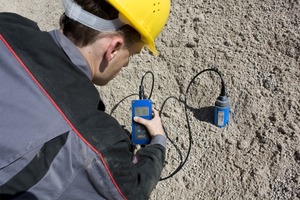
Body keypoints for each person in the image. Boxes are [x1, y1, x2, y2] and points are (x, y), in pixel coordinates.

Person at [0, 0, 170, 199]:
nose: (125, 64)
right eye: (131, 54)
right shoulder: (96, 143)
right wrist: (158, 143)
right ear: (114, 48)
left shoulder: (8, 24)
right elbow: (132, 190)